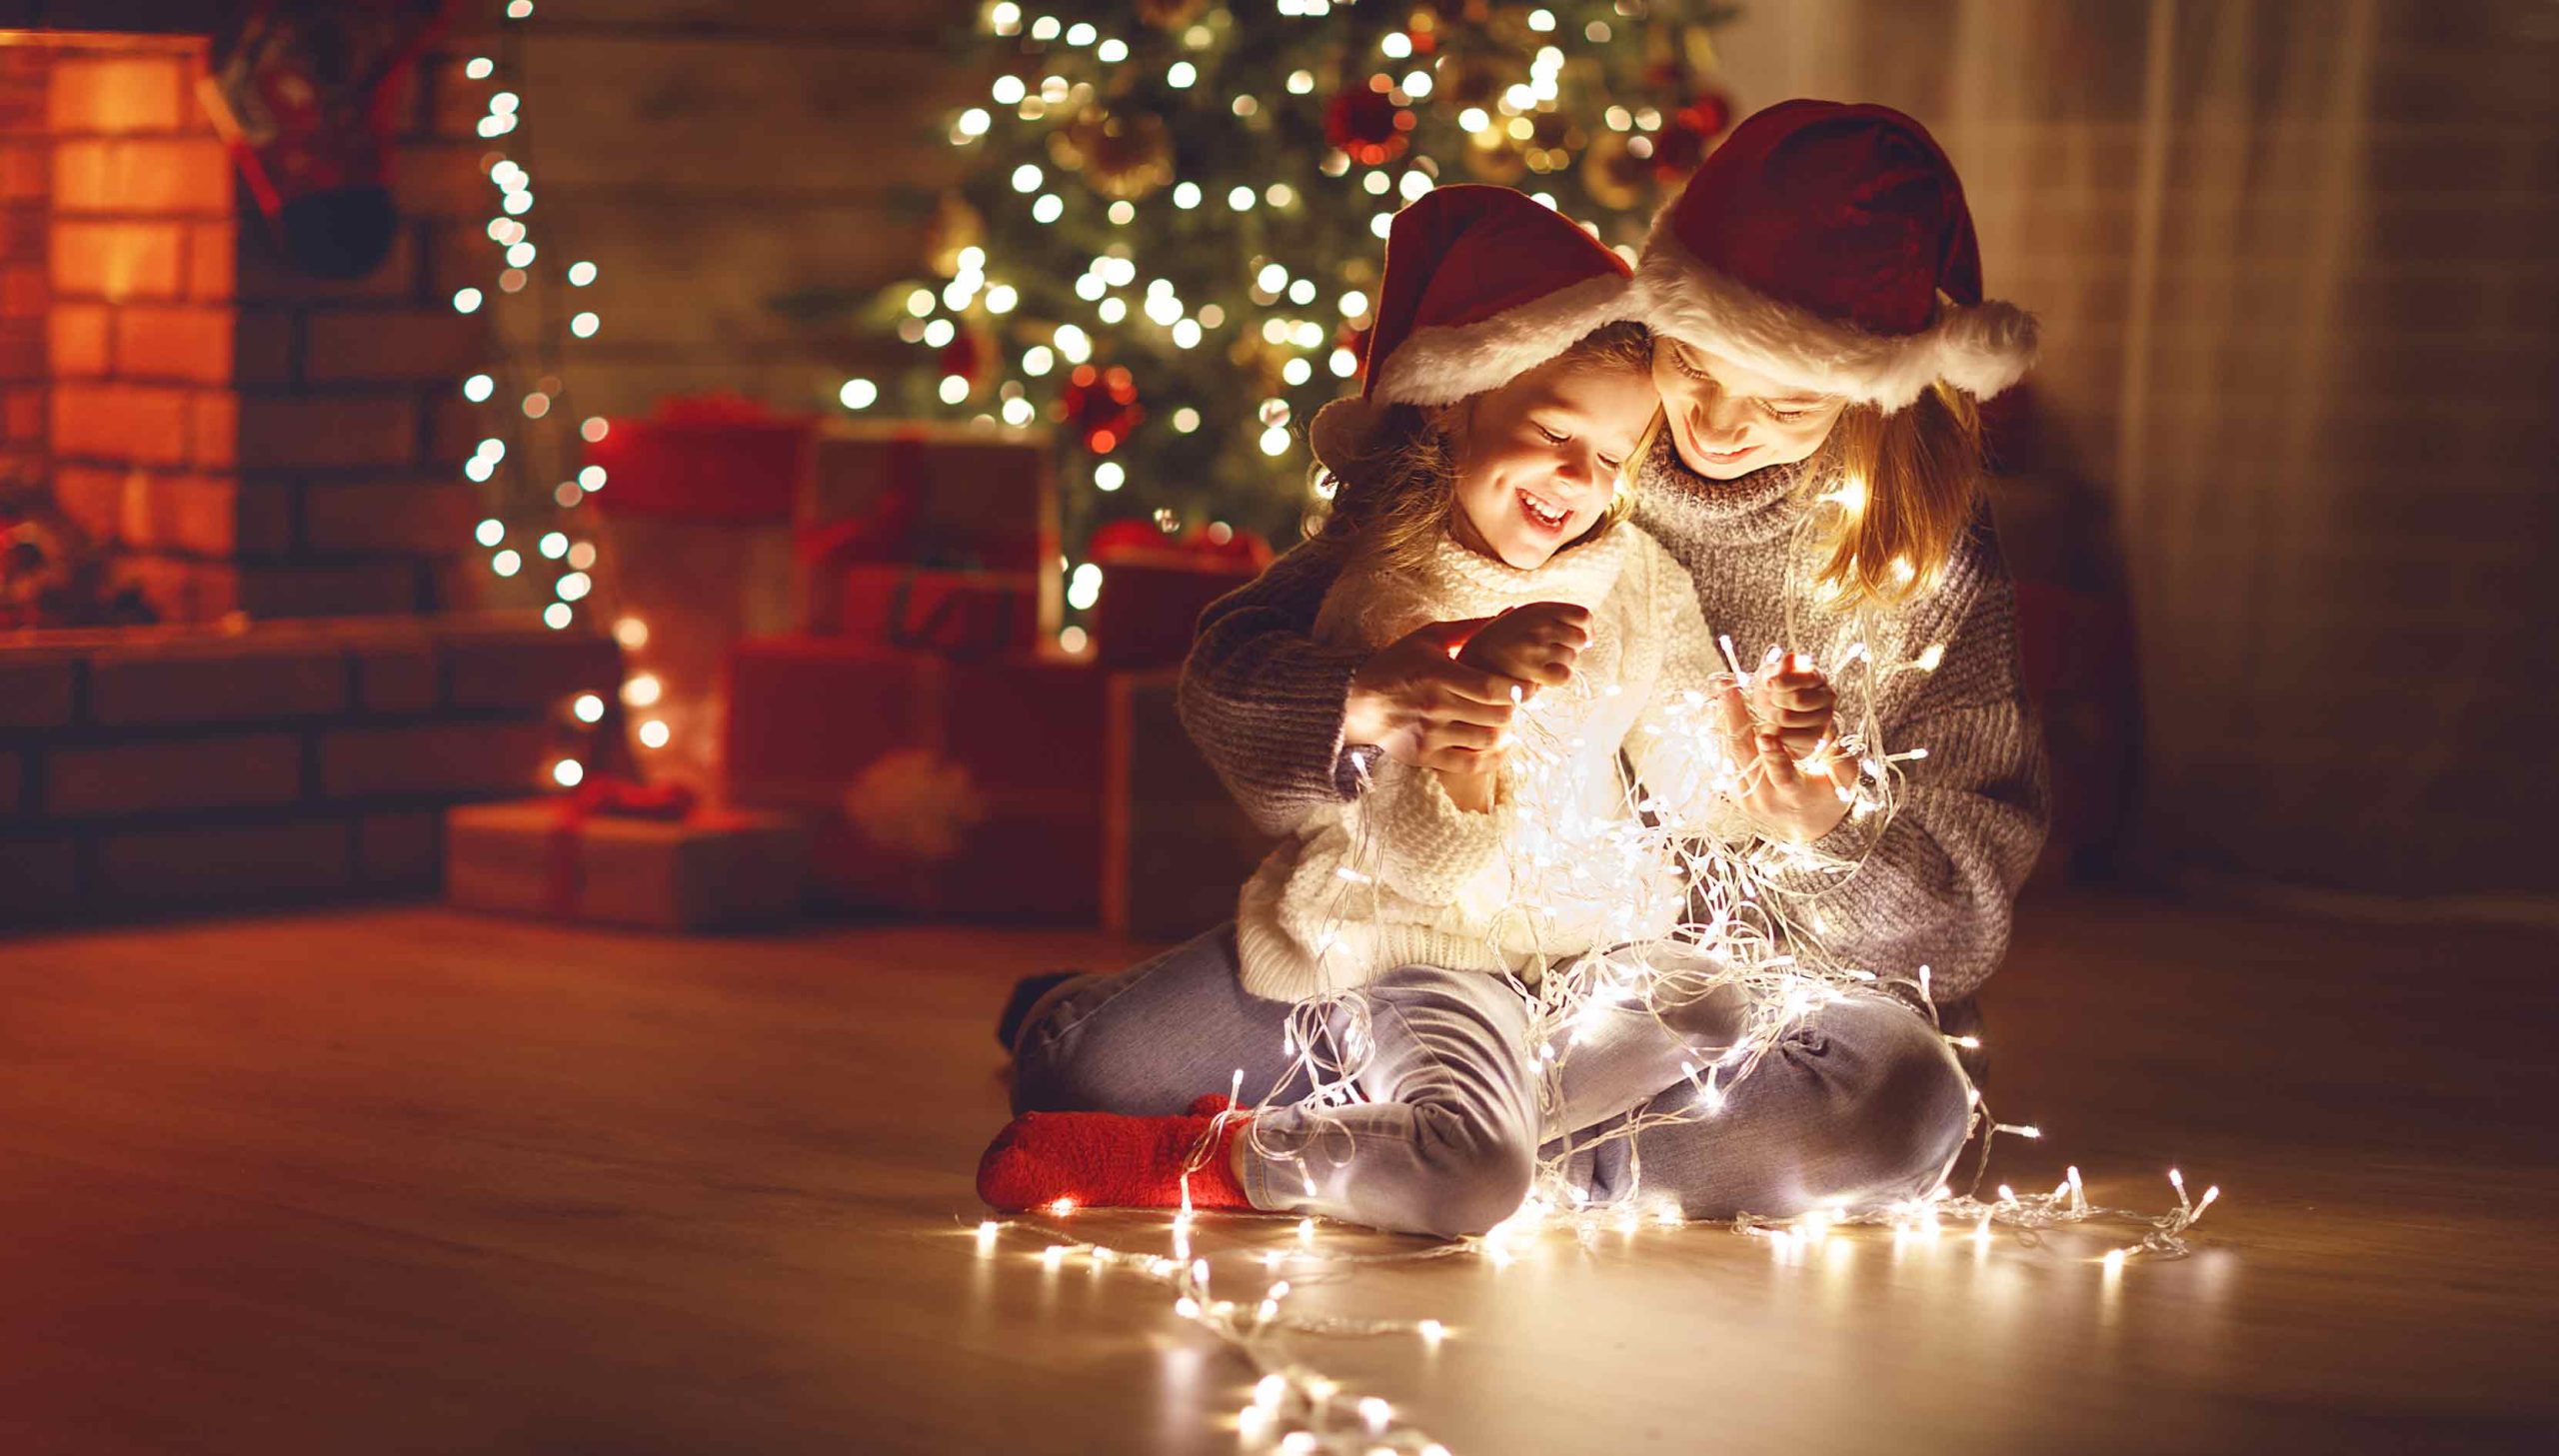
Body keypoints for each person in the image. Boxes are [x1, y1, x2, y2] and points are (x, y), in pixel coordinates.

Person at [986, 136, 2011, 1232]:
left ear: (1875, 395)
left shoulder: (1908, 563)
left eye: (1786, 404)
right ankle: (1452, 1148)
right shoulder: (1524, 427)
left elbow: (1942, 913)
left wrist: (1814, 818)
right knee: (1092, 1072)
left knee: (1897, 1105)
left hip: (1665, 993)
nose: (1711, 429)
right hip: (1409, 953)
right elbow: (1244, 666)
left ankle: (1446, 1156)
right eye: (1698, 371)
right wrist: (1379, 702)